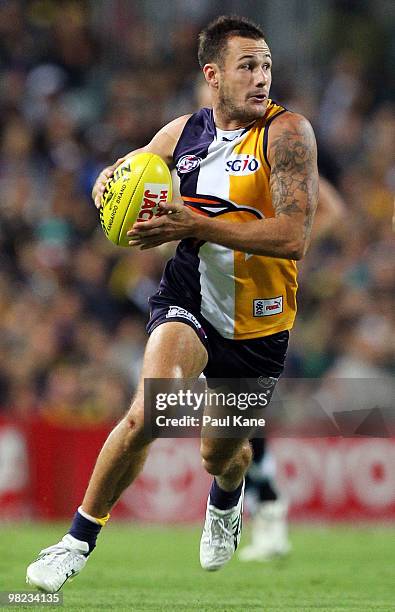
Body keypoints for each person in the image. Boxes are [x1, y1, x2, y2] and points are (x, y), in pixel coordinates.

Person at [26, 15, 318, 592]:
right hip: (190, 296)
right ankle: (74, 544)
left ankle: (226, 501)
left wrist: (194, 222)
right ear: (213, 75)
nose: (262, 78)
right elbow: (116, 176)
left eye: (266, 66)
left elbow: (293, 237)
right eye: (247, 66)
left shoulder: (287, 135)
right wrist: (109, 188)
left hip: (260, 324)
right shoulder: (181, 134)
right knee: (150, 412)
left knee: (220, 456)